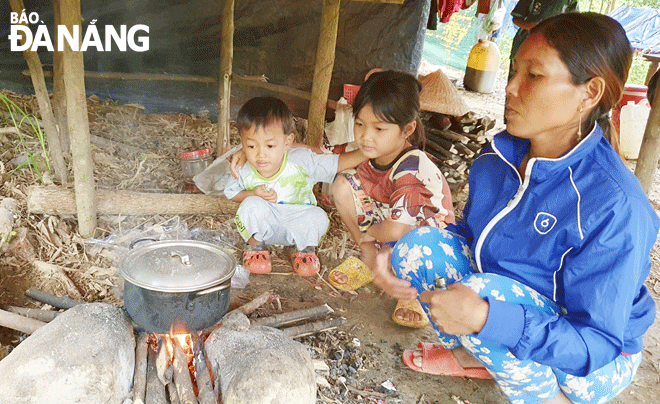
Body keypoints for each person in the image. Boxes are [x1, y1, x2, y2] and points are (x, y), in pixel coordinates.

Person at [378, 13, 659, 404]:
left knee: (485, 296)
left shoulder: (615, 205)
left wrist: (486, 318)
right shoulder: (498, 157)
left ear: (589, 93)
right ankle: (487, 358)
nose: (510, 87)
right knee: (419, 249)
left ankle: (547, 398)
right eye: (514, 71)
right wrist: (394, 251)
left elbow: (597, 343)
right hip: (522, 304)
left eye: (534, 76)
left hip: (594, 362)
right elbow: (473, 240)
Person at [327, 70, 455, 328]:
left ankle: (413, 289)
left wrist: (371, 232)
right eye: (360, 123)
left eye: (379, 128)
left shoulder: (414, 166)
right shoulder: (371, 151)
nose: (365, 136)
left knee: (411, 247)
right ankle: (369, 260)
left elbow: (397, 228)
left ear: (407, 129)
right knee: (342, 185)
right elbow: (322, 160)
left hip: (428, 245)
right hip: (391, 230)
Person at [223, 96, 366, 276]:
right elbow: (232, 194)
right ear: (242, 144)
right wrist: (252, 193)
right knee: (250, 206)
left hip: (297, 219)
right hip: (266, 222)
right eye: (251, 146)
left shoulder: (301, 160)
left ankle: (302, 249)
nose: (261, 155)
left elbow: (335, 163)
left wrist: (369, 152)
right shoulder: (243, 167)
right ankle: (255, 246)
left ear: (288, 142)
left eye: (270, 145)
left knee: (318, 216)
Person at [507, 0, 578, 82]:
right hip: (525, 46)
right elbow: (516, 19)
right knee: (515, 84)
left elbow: (573, 22)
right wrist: (534, 27)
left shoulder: (570, 1)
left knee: (539, 84)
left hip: (551, 52)